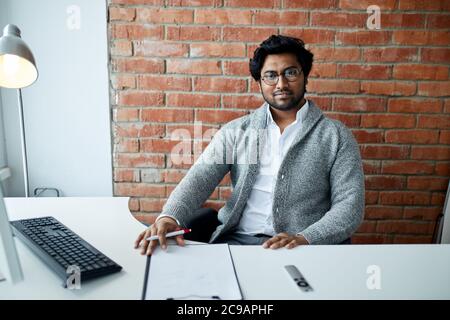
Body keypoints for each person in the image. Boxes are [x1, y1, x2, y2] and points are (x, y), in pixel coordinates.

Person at [135, 35, 365, 255]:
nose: (281, 83)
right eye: (271, 75)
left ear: (305, 75)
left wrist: (306, 237)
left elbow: (350, 206)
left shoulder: (336, 136)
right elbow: (199, 179)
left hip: (303, 247)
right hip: (237, 243)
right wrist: (168, 218)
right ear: (260, 82)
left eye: (291, 73)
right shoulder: (237, 132)